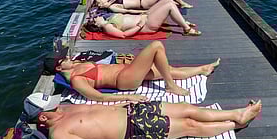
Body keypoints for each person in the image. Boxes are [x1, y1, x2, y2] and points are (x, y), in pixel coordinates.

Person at [35, 98, 262, 139]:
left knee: (187, 108)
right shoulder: (60, 134)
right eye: (50, 107)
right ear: (42, 117)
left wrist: (127, 99)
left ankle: (238, 114)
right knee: (190, 125)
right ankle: (234, 125)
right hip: (134, 130)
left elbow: (100, 106)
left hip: (133, 110)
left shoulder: (65, 106)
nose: (56, 105)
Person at [47, 40, 219, 101]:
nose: (69, 57)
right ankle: (170, 86)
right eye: (65, 59)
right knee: (156, 47)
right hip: (124, 80)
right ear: (60, 67)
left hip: (128, 70)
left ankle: (201, 70)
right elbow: (98, 97)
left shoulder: (76, 64)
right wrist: (129, 96)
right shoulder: (77, 80)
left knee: (168, 69)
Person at [85, 0, 202, 38]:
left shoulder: (107, 19)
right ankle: (186, 29)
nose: (95, 18)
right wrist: (140, 24)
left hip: (144, 17)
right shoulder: (107, 26)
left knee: (168, 0)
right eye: (94, 20)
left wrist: (142, 14)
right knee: (170, 6)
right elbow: (124, 35)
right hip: (146, 24)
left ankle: (182, 22)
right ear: (96, 25)